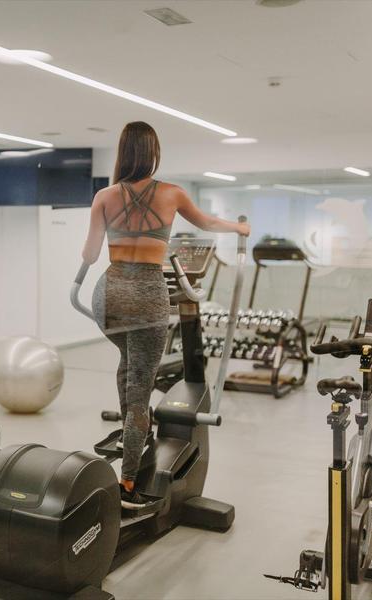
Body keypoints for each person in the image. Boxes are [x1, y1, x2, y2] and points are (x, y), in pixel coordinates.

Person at [82, 121, 250, 508]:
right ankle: (127, 485)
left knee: (128, 366)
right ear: (153, 152)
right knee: (141, 391)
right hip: (146, 297)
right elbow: (208, 223)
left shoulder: (104, 196)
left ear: (123, 151)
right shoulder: (172, 194)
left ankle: (130, 436)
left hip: (107, 297)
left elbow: (90, 255)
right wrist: (239, 227)